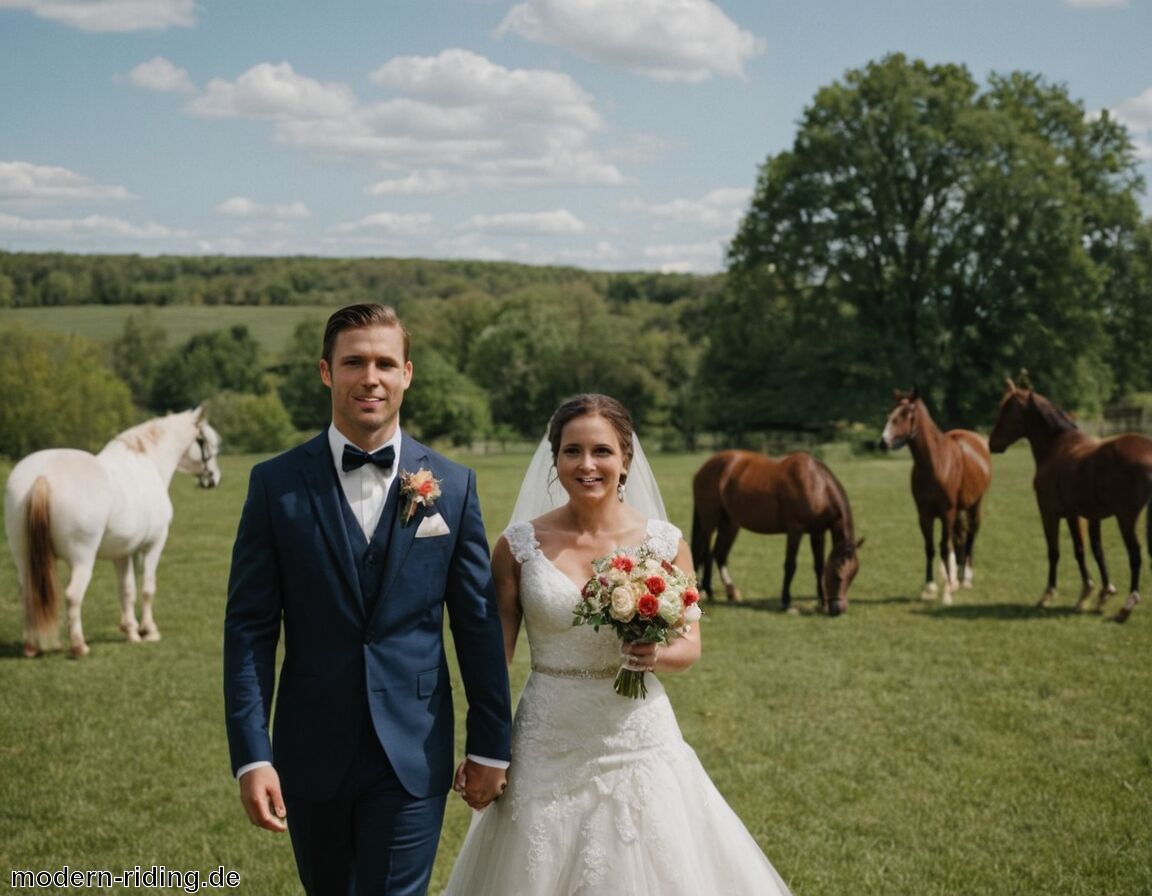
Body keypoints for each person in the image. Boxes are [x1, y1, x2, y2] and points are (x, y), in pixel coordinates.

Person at [442, 394, 793, 895]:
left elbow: (690, 646)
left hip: (638, 739)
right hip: (548, 736)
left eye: (602, 451)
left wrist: (656, 654)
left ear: (625, 459)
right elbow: (495, 658)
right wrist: (487, 748)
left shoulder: (664, 544)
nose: (587, 465)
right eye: (572, 451)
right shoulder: (519, 545)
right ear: (555, 458)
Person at [223, 303, 513, 895]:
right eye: (354, 362)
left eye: (385, 362)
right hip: (309, 751)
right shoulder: (274, 485)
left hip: (413, 747)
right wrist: (253, 756)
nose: (370, 377)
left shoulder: (453, 487)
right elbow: (250, 629)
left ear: (407, 373)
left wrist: (490, 744)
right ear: (326, 372)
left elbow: (477, 625)